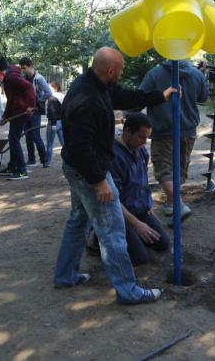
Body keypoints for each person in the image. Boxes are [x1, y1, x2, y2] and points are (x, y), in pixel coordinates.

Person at [52, 47, 175, 305]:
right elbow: (80, 147)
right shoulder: (89, 101)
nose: (121, 74)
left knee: (78, 222)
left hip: (79, 167)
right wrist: (99, 181)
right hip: (89, 171)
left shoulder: (96, 83)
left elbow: (124, 96)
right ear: (110, 71)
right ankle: (129, 292)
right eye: (120, 70)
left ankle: (65, 276)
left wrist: (159, 96)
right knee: (112, 232)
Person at [137, 59, 208, 226]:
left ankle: (180, 206)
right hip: (188, 130)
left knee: (164, 170)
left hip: (164, 130)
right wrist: (201, 76)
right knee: (179, 169)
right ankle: (171, 204)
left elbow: (140, 98)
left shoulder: (155, 74)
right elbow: (203, 97)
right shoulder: (196, 74)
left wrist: (127, 114)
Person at [95, 113, 170, 266]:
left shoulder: (141, 150)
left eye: (147, 137)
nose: (145, 142)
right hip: (117, 214)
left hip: (138, 210)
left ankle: (129, 237)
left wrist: (147, 207)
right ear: (128, 131)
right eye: (141, 137)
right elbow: (112, 200)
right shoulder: (114, 157)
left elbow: (142, 183)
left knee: (163, 243)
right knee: (139, 258)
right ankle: (97, 238)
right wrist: (136, 224)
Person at [0, 56, 35, 180]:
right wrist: (5, 116)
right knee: (12, 139)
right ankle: (12, 166)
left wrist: (31, 106)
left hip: (22, 112)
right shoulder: (9, 76)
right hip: (15, 111)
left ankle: (22, 171)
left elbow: (29, 86)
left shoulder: (12, 77)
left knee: (14, 140)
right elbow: (11, 100)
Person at [19, 56, 52, 167]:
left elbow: (48, 92)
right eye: (22, 68)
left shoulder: (39, 78)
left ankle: (44, 160)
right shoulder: (23, 78)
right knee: (28, 135)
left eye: (24, 68)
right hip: (26, 109)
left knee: (35, 135)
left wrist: (39, 101)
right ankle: (31, 160)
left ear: (31, 66)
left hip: (35, 109)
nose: (23, 70)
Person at [44, 80, 65, 167]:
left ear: (53, 88)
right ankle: (71, 160)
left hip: (54, 122)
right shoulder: (62, 96)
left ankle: (47, 162)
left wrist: (53, 123)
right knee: (63, 143)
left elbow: (52, 111)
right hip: (61, 121)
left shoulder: (52, 98)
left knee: (49, 144)